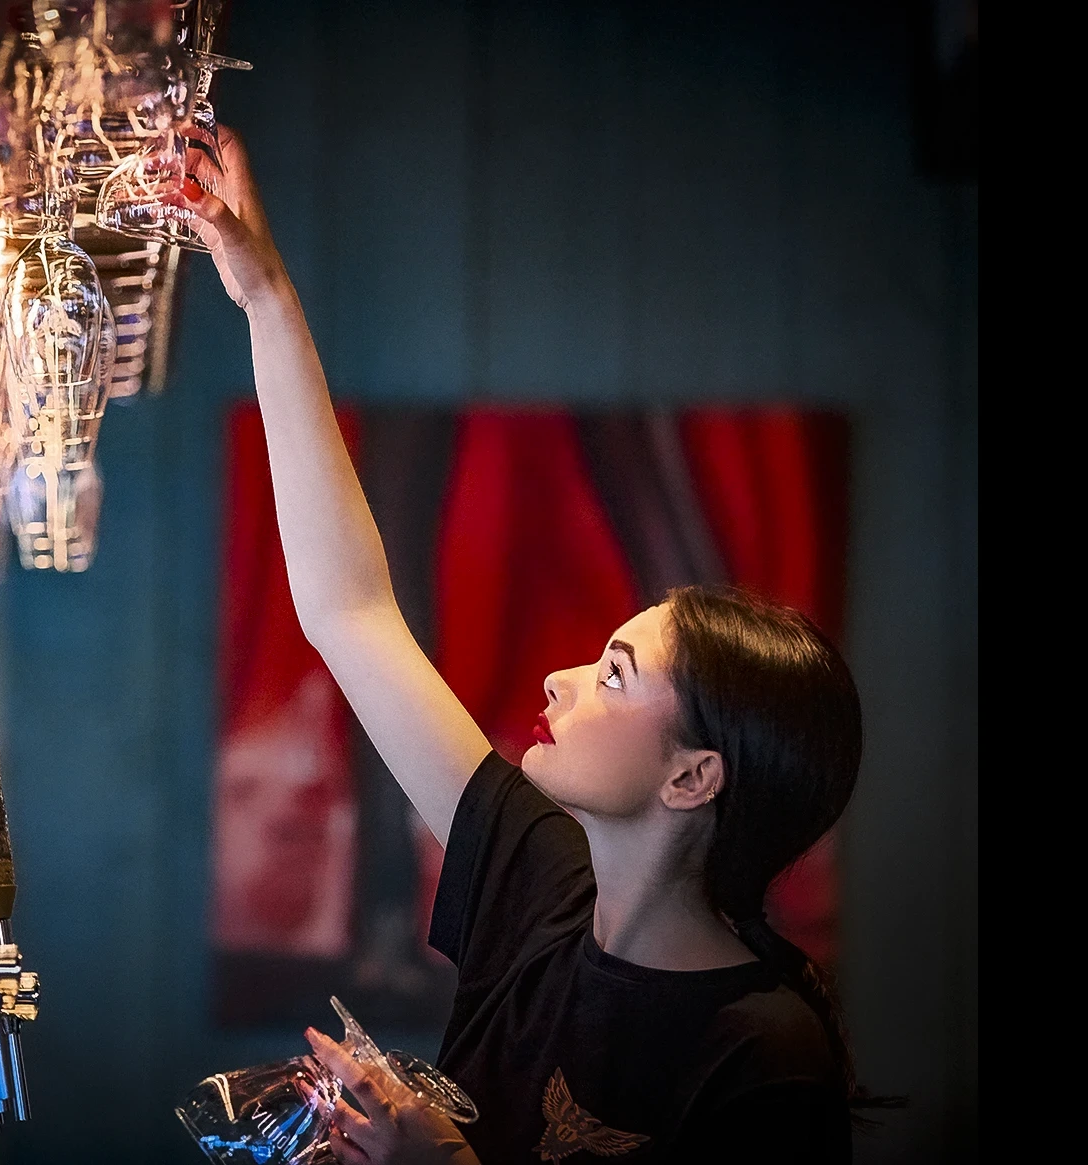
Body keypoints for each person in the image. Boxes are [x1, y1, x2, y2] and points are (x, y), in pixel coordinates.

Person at [176, 126, 896, 1164]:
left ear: (694, 774)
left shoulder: (766, 1056)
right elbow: (350, 610)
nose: (558, 680)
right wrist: (265, 297)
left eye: (615, 672)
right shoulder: (542, 883)